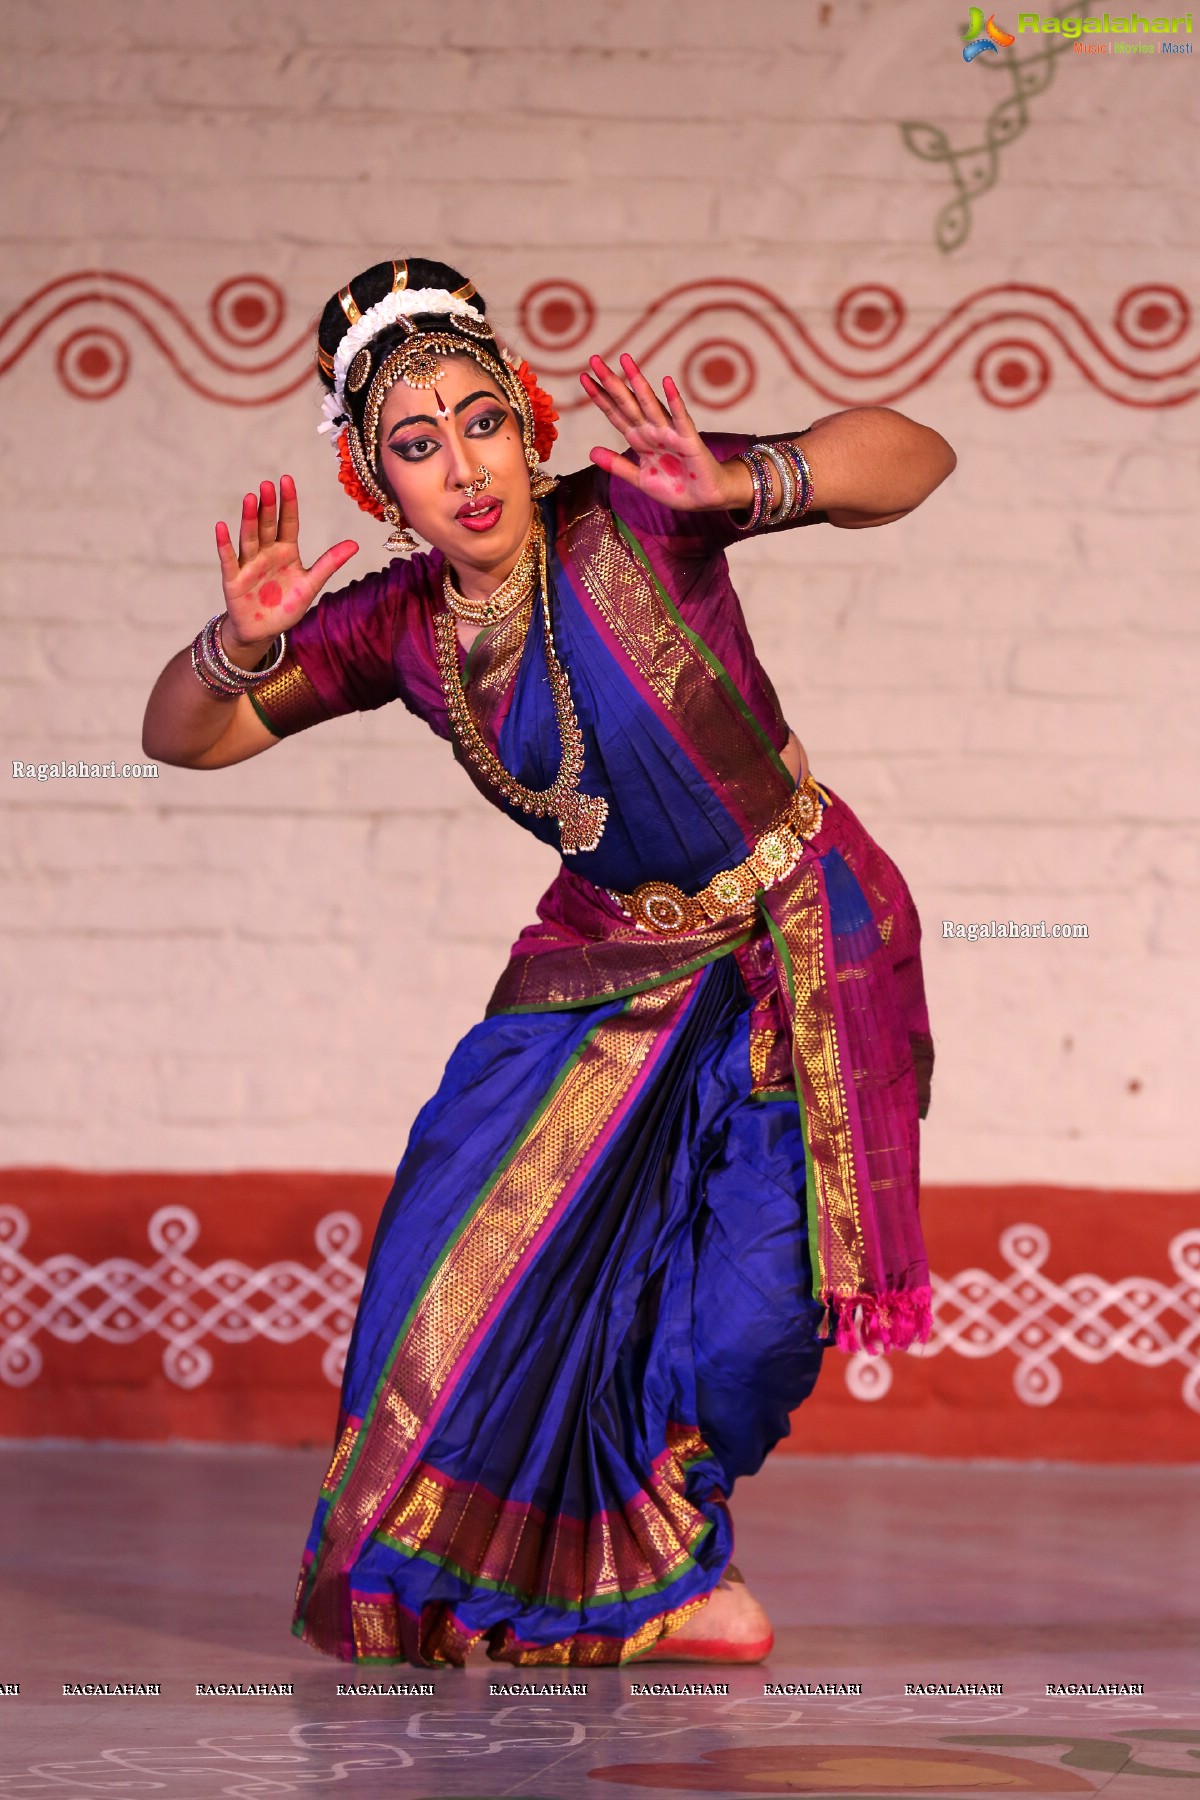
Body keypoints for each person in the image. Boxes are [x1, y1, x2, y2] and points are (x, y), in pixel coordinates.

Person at [143, 255, 954, 1670]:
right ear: (373, 486)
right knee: (449, 1268)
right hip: (595, 972)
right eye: (415, 444)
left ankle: (674, 1541)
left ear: (528, 423)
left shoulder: (640, 513)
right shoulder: (395, 629)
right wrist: (236, 645)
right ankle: (577, 1585)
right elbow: (183, 735)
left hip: (790, 948)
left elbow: (916, 458)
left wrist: (752, 482)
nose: (461, 466)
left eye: (478, 421)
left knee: (750, 1332)